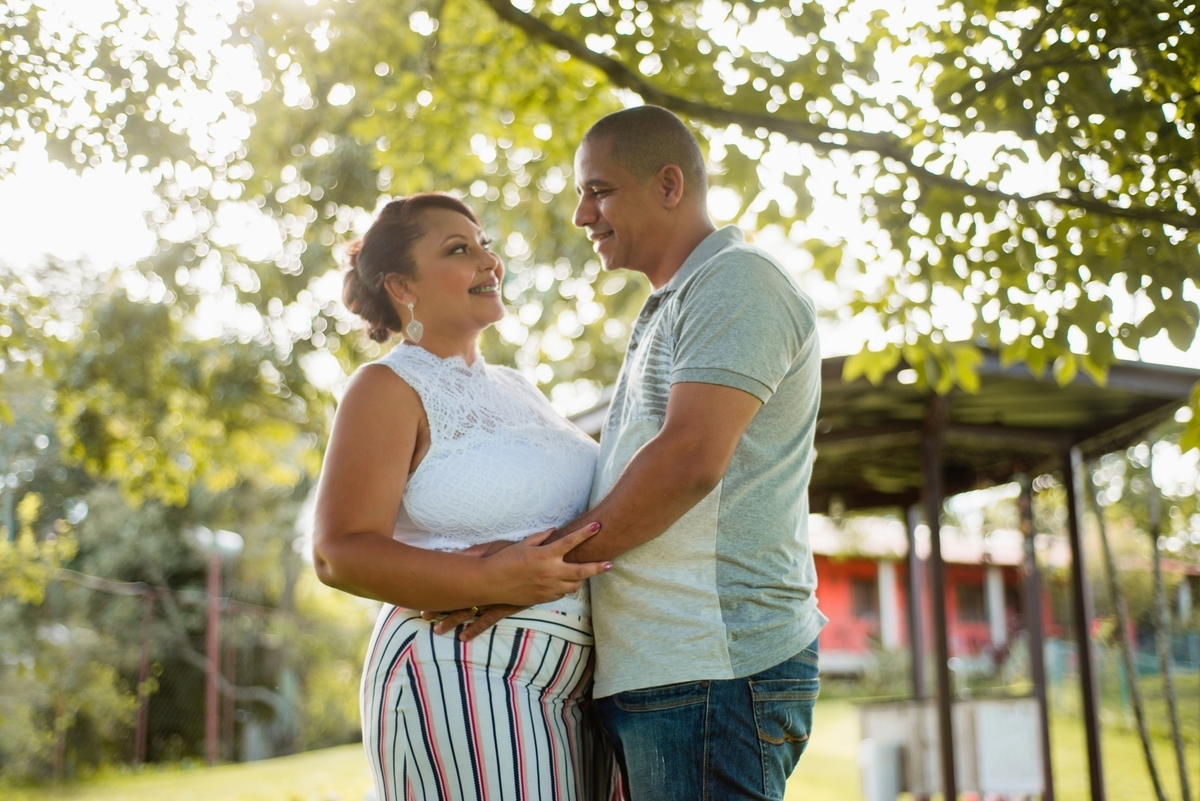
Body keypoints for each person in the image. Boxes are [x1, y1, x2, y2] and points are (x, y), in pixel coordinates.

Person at [442, 106, 826, 800]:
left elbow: (688, 461)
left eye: (600, 191)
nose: (582, 215)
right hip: (666, 675)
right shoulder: (673, 303)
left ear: (669, 185)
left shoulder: (737, 280)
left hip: (711, 670)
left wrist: (533, 567)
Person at [311, 193, 621, 801]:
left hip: (578, 687)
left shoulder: (518, 387)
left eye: (486, 245)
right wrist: (490, 580)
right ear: (402, 286)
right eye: (459, 249)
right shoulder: (387, 386)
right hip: (461, 668)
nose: (489, 261)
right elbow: (336, 552)